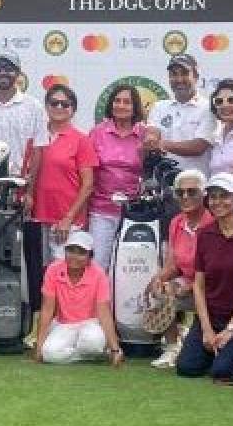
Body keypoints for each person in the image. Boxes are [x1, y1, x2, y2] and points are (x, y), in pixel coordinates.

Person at [175, 172, 233, 384]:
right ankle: (217, 351)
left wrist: (230, 330)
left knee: (223, 372)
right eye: (213, 197)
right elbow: (199, 285)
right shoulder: (205, 235)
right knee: (187, 367)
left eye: (224, 196)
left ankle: (231, 354)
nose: (218, 202)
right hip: (211, 317)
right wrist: (207, 330)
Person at [148, 169, 213, 369]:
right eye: (180, 192)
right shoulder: (176, 222)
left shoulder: (212, 223)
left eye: (192, 192)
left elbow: (213, 271)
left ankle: (186, 335)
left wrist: (186, 288)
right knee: (160, 290)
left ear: (204, 195)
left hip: (211, 285)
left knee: (172, 291)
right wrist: (158, 280)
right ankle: (172, 346)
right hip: (187, 281)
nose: (185, 197)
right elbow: (172, 264)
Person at [36, 230, 125, 366]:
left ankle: (97, 350)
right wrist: (39, 346)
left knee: (93, 343)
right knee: (48, 354)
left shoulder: (99, 274)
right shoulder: (53, 270)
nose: (75, 256)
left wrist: (115, 349)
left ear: (90, 257)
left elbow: (104, 313)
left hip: (91, 324)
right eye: (71, 250)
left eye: (81, 252)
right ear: (65, 252)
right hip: (63, 324)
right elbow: (47, 310)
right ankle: (95, 355)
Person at [32, 84, 99, 261]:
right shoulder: (35, 137)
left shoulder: (81, 140)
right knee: (40, 276)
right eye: (54, 103)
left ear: (73, 110)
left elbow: (88, 185)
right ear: (46, 106)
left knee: (64, 274)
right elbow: (30, 175)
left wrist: (68, 218)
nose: (59, 107)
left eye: (65, 104)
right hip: (37, 218)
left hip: (67, 221)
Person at [87, 83, 146, 270]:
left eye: (127, 102)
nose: (121, 105)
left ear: (135, 107)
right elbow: (88, 173)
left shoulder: (144, 134)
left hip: (135, 213)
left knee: (129, 268)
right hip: (101, 210)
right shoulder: (97, 133)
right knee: (98, 266)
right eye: (117, 101)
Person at [0, 50, 49, 175]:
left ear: (18, 73)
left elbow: (38, 150)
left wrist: (29, 190)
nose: (3, 73)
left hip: (20, 182)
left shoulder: (34, 108)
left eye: (8, 68)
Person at [144, 53, 215, 174]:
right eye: (174, 74)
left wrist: (162, 144)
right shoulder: (159, 106)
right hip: (163, 184)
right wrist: (151, 140)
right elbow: (152, 133)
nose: (179, 79)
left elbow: (198, 147)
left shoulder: (209, 108)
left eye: (184, 73)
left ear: (196, 76)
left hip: (196, 186)